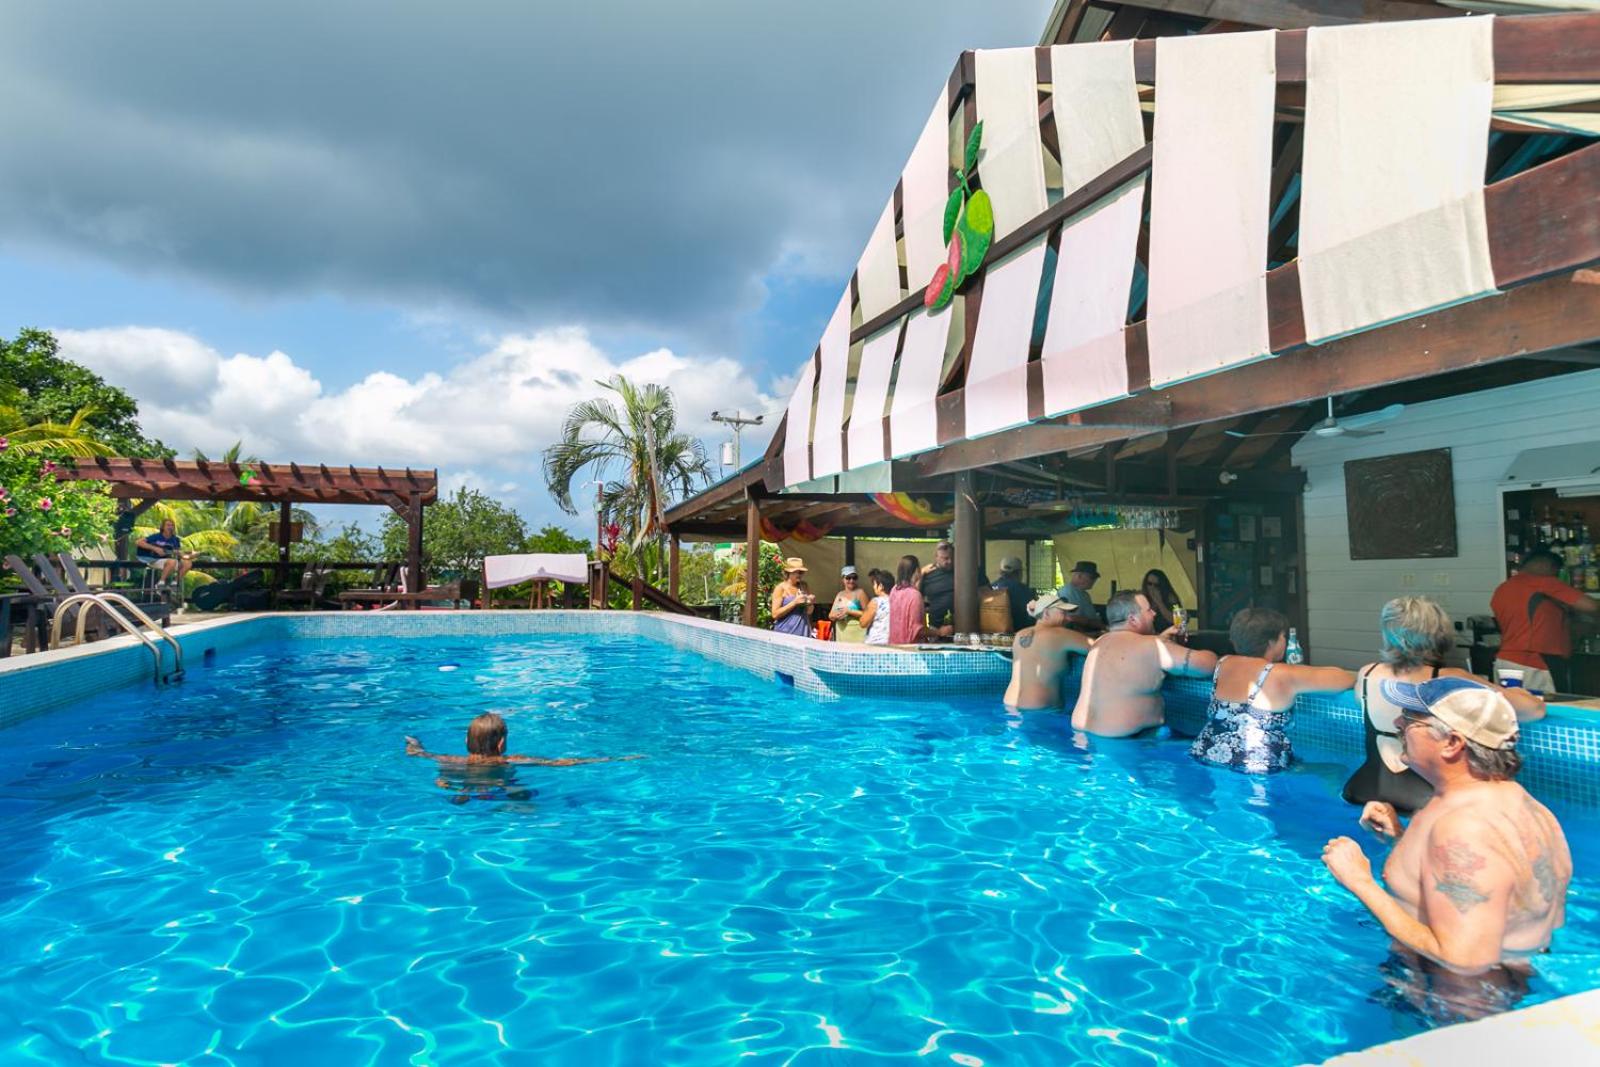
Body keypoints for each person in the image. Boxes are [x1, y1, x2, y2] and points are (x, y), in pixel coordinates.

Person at [1322, 677, 1571, 977]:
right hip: (1481, 987)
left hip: (1449, 996)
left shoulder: (1465, 828)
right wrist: (1398, 839)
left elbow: (1465, 960)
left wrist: (1359, 880)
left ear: (1452, 743)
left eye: (1411, 719)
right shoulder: (1530, 809)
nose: (1398, 722)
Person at [1344, 596, 1546, 814]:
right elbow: (1534, 711)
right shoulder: (1447, 680)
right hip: (1421, 795)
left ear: (1388, 633)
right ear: (1438, 633)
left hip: (1364, 788)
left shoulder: (1367, 673)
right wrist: (1517, 694)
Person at [1189, 607, 1355, 774]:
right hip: (1256, 764)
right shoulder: (1279, 673)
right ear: (1271, 642)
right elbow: (1345, 679)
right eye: (1283, 636)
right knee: (1336, 770)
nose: (1285, 641)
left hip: (1206, 752)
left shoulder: (1223, 663)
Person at [1071, 590, 1217, 737]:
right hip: (1127, 743)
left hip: (1081, 736)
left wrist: (1161, 640)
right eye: (1148, 610)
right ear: (1133, 619)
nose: (1154, 613)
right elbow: (1207, 666)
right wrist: (1213, 654)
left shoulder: (1099, 642)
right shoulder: (1153, 646)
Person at [1490, 549, 1598, 694]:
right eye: (1556, 571)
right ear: (1546, 565)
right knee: (1542, 706)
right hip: (1534, 662)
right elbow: (1591, 606)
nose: (1556, 576)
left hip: (1505, 661)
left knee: (1511, 704)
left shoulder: (1503, 588)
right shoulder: (1543, 582)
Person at [404, 712, 633, 767]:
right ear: (501, 744)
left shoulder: (452, 760)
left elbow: (421, 754)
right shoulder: (510, 760)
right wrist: (610, 759)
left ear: (466, 742)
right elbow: (558, 763)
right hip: (500, 786)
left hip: (466, 782)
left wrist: (414, 744)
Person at [1004, 591, 1094, 710]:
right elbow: (1099, 647)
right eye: (1063, 613)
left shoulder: (1020, 635)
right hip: (1040, 709)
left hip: (1010, 704)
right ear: (1046, 613)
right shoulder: (1061, 634)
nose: (1068, 618)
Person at [135, 518, 193, 587]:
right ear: (163, 527)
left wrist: (187, 555)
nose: (170, 527)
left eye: (172, 525)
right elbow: (138, 542)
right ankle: (160, 583)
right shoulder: (156, 536)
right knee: (172, 562)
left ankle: (174, 583)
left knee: (188, 563)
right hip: (153, 559)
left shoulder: (175, 540)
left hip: (168, 561)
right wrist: (155, 549)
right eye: (168, 525)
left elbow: (177, 553)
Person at [918, 541, 957, 638]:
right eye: (945, 558)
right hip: (935, 627)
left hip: (959, 627)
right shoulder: (928, 574)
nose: (949, 561)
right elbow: (916, 595)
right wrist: (921, 573)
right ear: (936, 557)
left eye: (952, 558)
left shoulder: (960, 570)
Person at [770, 557, 815, 638]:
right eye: (797, 572)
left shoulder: (804, 586)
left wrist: (810, 603)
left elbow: (809, 612)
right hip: (785, 633)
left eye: (801, 572)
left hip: (803, 633)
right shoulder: (780, 588)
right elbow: (775, 614)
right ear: (788, 573)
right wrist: (794, 602)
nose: (799, 575)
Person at [1056, 560, 1104, 631]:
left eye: (1095, 578)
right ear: (1079, 576)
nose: (1094, 581)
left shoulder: (1085, 595)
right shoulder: (1068, 592)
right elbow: (1072, 619)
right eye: (1092, 577)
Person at [888, 554, 925, 645]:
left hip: (894, 645)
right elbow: (917, 631)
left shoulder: (894, 590)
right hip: (910, 649)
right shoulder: (915, 595)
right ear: (917, 571)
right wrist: (939, 632)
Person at [991, 556, 1033, 634]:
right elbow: (1031, 614)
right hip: (1016, 634)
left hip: (991, 633)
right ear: (1018, 573)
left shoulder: (991, 587)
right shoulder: (1022, 589)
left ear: (1001, 571)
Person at [829, 565, 868, 643]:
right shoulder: (840, 594)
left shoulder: (860, 592)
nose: (851, 580)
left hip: (857, 635)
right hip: (841, 635)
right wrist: (836, 615)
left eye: (854, 578)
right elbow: (830, 615)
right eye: (848, 578)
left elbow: (868, 614)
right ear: (843, 579)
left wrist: (849, 611)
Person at [1141, 569, 1184, 635]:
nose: (1152, 588)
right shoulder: (1143, 598)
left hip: (1169, 635)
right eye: (1149, 584)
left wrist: (1160, 603)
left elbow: (1179, 622)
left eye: (1156, 585)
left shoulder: (1171, 598)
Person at [859, 569, 894, 646]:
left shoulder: (875, 602)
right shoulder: (897, 601)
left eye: (874, 584)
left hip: (875, 643)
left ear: (880, 586)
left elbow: (863, 623)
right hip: (891, 643)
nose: (873, 587)